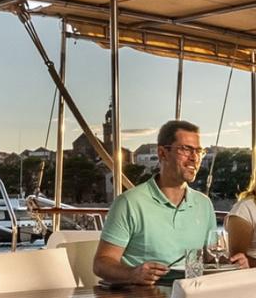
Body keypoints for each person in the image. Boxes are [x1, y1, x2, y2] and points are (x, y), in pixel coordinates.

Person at [94, 120, 245, 286]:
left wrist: (230, 263)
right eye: (185, 149)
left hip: (191, 295)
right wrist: (133, 274)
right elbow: (101, 263)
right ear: (162, 153)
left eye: (198, 151)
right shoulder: (128, 203)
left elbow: (210, 258)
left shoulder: (204, 204)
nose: (194, 158)